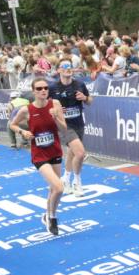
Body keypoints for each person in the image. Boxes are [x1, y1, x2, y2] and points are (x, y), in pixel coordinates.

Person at [9, 77, 67, 235]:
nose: (43, 91)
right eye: (39, 88)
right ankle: (52, 217)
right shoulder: (26, 110)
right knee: (59, 187)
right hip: (39, 154)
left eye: (46, 88)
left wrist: (56, 117)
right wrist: (23, 132)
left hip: (54, 150)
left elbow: (64, 129)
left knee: (53, 188)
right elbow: (12, 124)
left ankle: (47, 214)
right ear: (34, 91)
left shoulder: (55, 104)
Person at [49, 58, 91, 195]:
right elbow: (45, 104)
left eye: (70, 66)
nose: (68, 68)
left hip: (78, 122)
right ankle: (77, 182)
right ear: (59, 70)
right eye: (65, 66)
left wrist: (84, 98)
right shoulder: (53, 88)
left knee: (72, 153)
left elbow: (90, 100)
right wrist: (54, 110)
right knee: (80, 153)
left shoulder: (79, 84)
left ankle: (66, 178)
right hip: (63, 126)